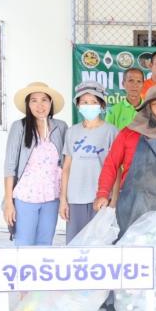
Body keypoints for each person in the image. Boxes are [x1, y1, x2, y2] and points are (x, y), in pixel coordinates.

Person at [94, 85, 156, 238]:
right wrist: (102, 193)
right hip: (132, 207)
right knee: (132, 255)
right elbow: (111, 165)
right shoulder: (128, 134)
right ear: (147, 109)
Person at [3, 82, 68, 246]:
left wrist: (63, 198)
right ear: (28, 104)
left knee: (45, 244)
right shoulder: (19, 127)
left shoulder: (61, 127)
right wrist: (9, 202)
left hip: (51, 198)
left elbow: (66, 164)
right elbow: (10, 166)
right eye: (34, 100)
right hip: (25, 198)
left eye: (44, 100)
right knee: (23, 245)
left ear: (51, 103)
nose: (40, 105)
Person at [60, 81, 119, 243]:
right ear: (78, 105)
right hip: (75, 198)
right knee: (75, 244)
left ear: (101, 105)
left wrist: (113, 201)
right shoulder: (72, 132)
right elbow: (66, 168)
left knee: (100, 245)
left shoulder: (111, 131)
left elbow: (116, 169)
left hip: (101, 198)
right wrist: (63, 200)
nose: (89, 105)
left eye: (94, 102)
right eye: (85, 102)